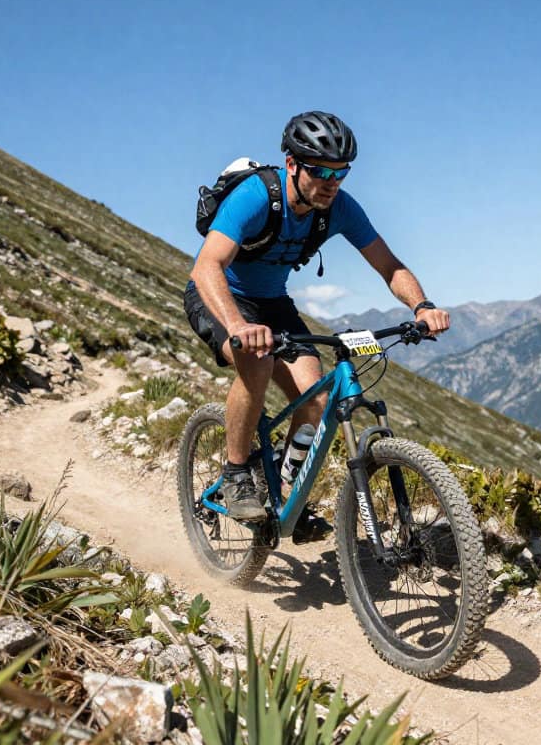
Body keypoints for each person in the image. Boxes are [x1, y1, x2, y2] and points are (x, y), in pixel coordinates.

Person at [184, 111, 450, 528]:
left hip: (273, 303)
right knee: (257, 364)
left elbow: (390, 266)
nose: (331, 181)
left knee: (317, 398)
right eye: (321, 171)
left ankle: (284, 490)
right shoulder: (255, 196)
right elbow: (207, 267)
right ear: (292, 164)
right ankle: (236, 473)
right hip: (219, 296)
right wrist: (237, 326)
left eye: (341, 172)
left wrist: (422, 306)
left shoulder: (340, 208)